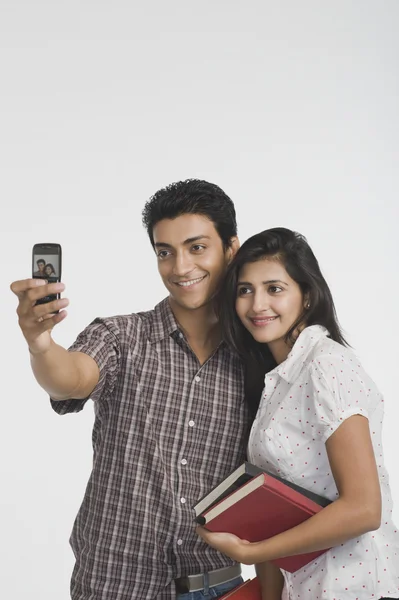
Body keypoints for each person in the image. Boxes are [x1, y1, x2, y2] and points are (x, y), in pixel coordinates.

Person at [10, 179, 255, 600]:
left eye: (196, 247)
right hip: (116, 586)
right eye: (165, 252)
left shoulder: (258, 358)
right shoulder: (123, 337)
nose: (179, 267)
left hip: (218, 586)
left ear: (231, 248)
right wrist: (41, 342)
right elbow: (71, 377)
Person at [197, 227, 399, 600]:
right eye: (245, 290)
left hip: (351, 588)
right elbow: (275, 510)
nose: (257, 305)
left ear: (306, 297)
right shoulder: (276, 381)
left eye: (274, 288)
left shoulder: (326, 365)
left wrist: (252, 551)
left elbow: (364, 508)